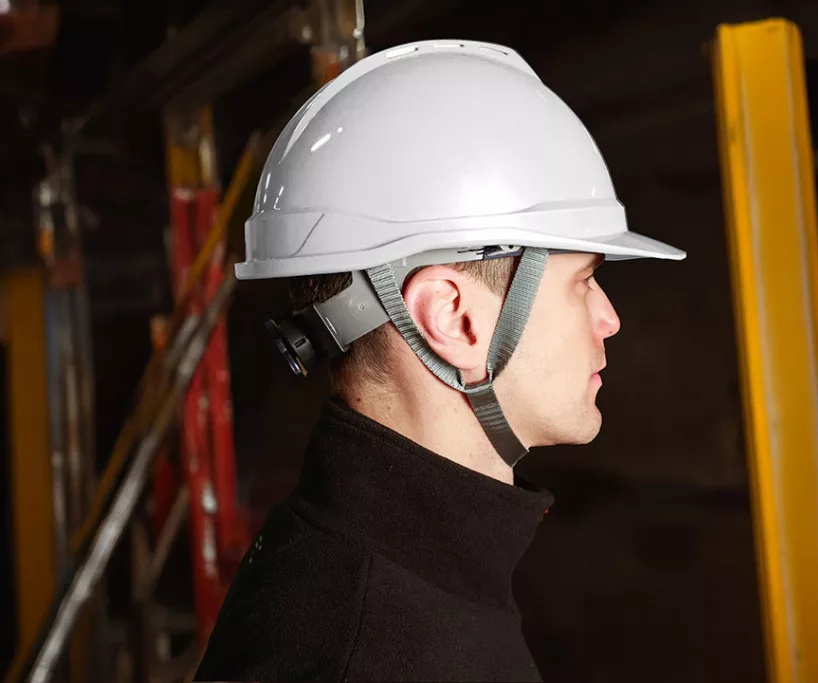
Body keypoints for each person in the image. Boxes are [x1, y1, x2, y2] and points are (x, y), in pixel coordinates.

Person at [193, 39, 685, 682]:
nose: (609, 318)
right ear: (453, 317)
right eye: (583, 280)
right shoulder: (377, 650)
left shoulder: (378, 572)